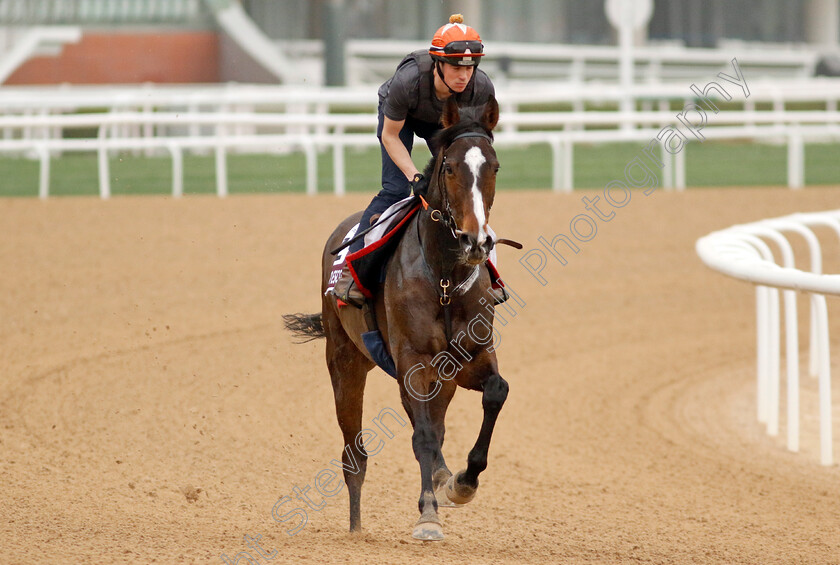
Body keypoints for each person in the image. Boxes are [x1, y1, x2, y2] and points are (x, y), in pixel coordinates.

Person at [332, 13, 504, 307]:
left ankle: (491, 273)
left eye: (470, 67)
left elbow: (475, 145)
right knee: (395, 189)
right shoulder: (407, 82)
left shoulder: (481, 89)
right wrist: (415, 176)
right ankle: (353, 269)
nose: (464, 76)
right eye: (455, 67)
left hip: (448, 123)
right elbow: (390, 136)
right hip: (403, 122)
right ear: (438, 62)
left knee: (463, 189)